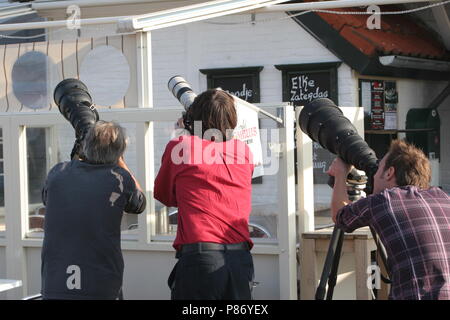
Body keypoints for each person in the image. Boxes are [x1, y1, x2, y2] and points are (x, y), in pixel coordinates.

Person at [154, 89, 255, 300]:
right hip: (240, 258)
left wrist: (187, 132)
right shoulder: (244, 151)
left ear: (193, 118)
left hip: (201, 258)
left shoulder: (181, 147)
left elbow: (164, 195)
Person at [327, 139, 450, 300]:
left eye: (378, 168)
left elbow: (340, 216)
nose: (374, 174)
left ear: (389, 172)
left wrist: (340, 174)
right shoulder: (442, 197)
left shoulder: (384, 200)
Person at [41, 121, 146, 300]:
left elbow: (48, 199)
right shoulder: (119, 178)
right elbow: (139, 203)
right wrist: (120, 160)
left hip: (55, 282)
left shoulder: (58, 172)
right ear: (119, 152)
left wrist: (81, 153)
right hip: (101, 284)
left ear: (85, 146)